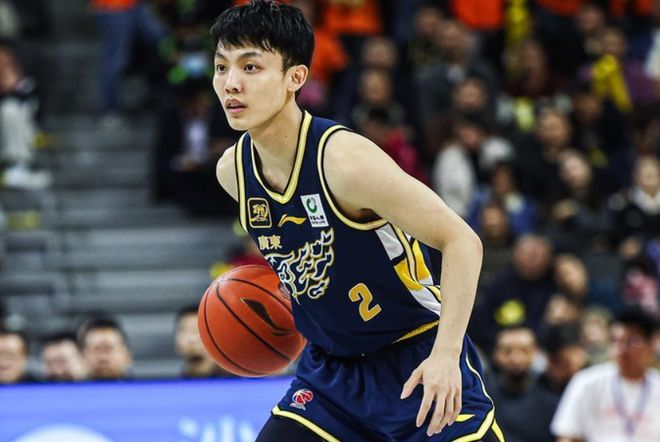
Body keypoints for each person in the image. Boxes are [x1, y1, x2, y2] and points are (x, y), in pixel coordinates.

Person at [211, 1, 501, 441]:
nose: (231, 83)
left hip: (415, 358)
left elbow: (462, 241)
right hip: (331, 377)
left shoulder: (344, 161)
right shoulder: (233, 172)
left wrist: (446, 355)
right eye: (221, 67)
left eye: (250, 67)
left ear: (296, 78)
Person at [551, 306, 660, 442]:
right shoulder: (586, 382)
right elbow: (567, 436)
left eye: (632, 341)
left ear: (651, 344)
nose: (621, 349)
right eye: (616, 341)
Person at [175, 305, 230, 378]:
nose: (191, 339)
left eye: (197, 331)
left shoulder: (237, 382)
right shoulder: (172, 383)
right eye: (185, 331)